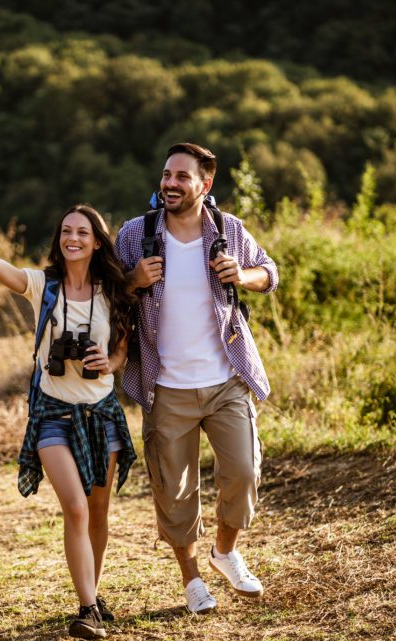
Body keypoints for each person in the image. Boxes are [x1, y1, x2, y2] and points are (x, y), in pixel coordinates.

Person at [0, 204, 137, 640]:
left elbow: (122, 351)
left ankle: (92, 592)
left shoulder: (113, 291)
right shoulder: (44, 286)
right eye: (65, 231)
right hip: (52, 411)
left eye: (82, 232)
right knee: (74, 508)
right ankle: (88, 607)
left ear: (97, 241)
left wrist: (108, 363)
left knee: (98, 512)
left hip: (101, 413)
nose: (71, 238)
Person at [115, 142, 279, 614]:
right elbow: (108, 288)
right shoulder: (134, 234)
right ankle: (191, 581)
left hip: (225, 378)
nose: (169, 183)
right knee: (174, 490)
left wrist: (243, 276)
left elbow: (270, 272)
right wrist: (133, 282)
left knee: (244, 474)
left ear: (205, 185)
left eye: (181, 177)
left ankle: (224, 552)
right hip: (165, 387)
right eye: (167, 174)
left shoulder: (228, 230)